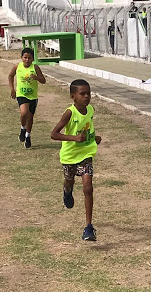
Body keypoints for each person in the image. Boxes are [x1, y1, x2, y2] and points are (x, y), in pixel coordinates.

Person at [50, 79, 102, 242]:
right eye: (82, 94)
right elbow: (54, 134)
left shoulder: (90, 110)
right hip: (70, 156)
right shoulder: (69, 113)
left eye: (89, 93)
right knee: (69, 180)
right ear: (73, 96)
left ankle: (88, 227)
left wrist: (94, 137)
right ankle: (67, 191)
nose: (87, 96)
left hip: (86, 154)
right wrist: (73, 138)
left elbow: (88, 127)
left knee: (88, 188)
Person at [8, 47, 46, 149]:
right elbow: (10, 76)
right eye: (25, 57)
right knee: (24, 113)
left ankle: (28, 136)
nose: (27, 60)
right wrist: (12, 89)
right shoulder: (17, 66)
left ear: (33, 59)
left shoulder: (35, 67)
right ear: (21, 57)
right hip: (21, 94)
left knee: (30, 117)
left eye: (29, 58)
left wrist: (36, 78)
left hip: (33, 96)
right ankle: (22, 128)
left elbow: (43, 80)